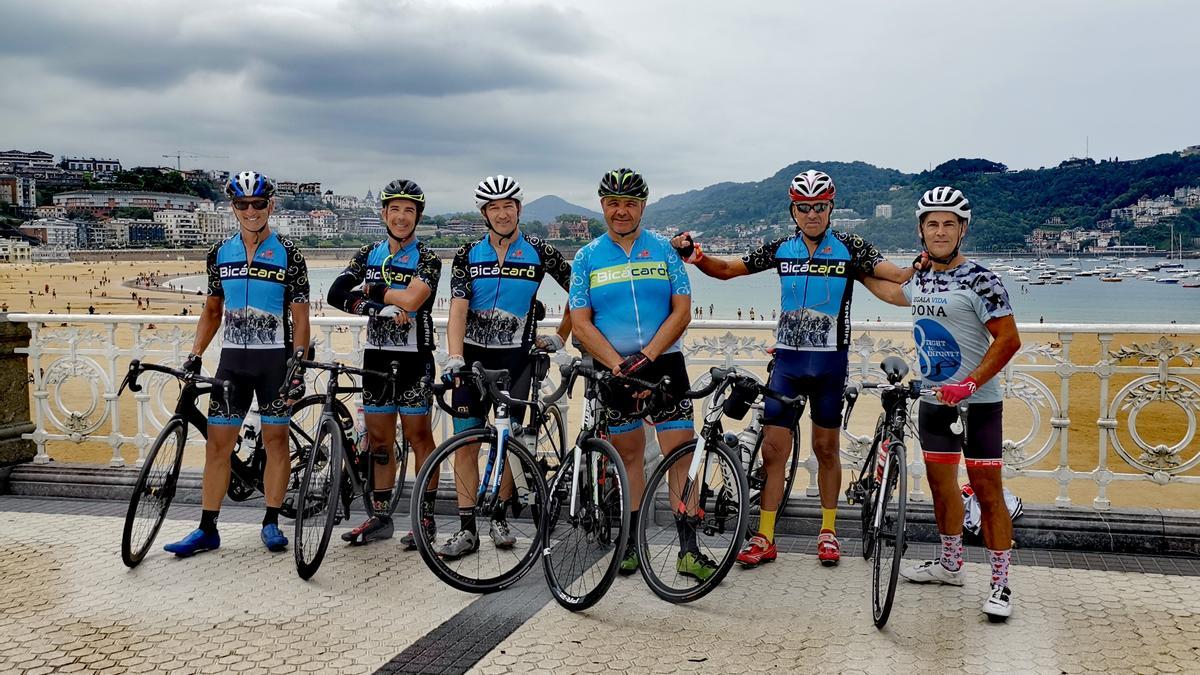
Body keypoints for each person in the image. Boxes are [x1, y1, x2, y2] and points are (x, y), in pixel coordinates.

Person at [672, 169, 914, 568]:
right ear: (794, 211)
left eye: (820, 206)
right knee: (772, 452)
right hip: (787, 362)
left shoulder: (850, 247)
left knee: (826, 450)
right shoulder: (782, 248)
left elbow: (894, 278)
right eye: (804, 208)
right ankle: (765, 536)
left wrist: (922, 276)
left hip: (830, 364)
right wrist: (697, 257)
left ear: (831, 208)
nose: (812, 214)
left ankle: (829, 531)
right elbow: (730, 269)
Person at [861, 186, 1021, 620]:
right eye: (933, 223)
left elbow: (1009, 340)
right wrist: (852, 265)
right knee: (941, 488)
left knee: (988, 494)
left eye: (949, 223)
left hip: (977, 403)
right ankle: (951, 565)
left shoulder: (982, 280)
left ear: (963, 229)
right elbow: (889, 292)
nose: (941, 231)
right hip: (933, 401)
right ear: (921, 230)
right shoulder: (922, 278)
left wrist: (968, 386)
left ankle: (1001, 583)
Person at [570, 168, 715, 580]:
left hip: (664, 364)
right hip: (614, 368)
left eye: (630, 203)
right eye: (613, 203)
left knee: (680, 453)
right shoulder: (586, 257)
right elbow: (581, 323)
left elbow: (682, 310)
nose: (621, 211)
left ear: (642, 207)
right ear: (602, 206)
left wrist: (649, 356)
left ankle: (688, 550)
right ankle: (631, 544)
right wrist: (618, 364)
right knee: (629, 457)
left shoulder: (665, 252)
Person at [163, 170, 310, 557]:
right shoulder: (219, 253)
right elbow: (212, 311)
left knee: (275, 441)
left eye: (258, 203)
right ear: (233, 208)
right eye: (242, 204)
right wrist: (194, 356)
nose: (251, 210)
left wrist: (299, 365)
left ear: (270, 206)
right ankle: (207, 528)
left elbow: (301, 318)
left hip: (274, 362)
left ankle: (272, 521)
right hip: (232, 363)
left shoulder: (289, 253)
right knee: (217, 446)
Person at [439, 175, 573, 559]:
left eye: (508, 206)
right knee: (465, 445)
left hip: (517, 361)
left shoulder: (539, 251)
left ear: (519, 209)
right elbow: (459, 308)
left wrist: (560, 336)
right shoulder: (467, 254)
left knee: (506, 444)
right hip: (473, 361)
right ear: (484, 213)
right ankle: (467, 530)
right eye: (493, 207)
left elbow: (579, 292)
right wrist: (454, 355)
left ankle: (498, 516)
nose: (502, 213)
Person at [327, 179, 442, 547]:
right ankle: (380, 517)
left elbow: (411, 301)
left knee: (419, 437)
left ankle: (424, 519)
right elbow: (334, 293)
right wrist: (376, 307)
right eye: (395, 209)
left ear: (418, 217)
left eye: (409, 210)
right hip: (376, 356)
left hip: (415, 358)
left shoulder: (428, 257)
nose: (402, 217)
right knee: (379, 440)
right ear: (383, 214)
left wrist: (372, 289)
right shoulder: (367, 253)